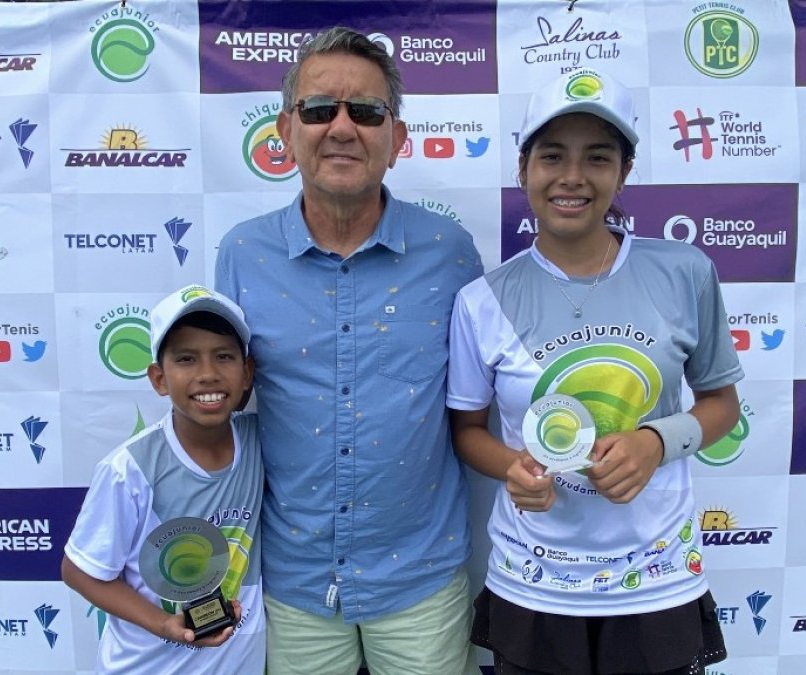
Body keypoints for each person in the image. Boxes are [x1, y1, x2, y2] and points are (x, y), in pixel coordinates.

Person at [446, 68, 743, 675]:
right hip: (536, 582)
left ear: (624, 172)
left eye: (598, 157)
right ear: (523, 167)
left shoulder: (684, 272)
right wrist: (514, 469)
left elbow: (722, 404)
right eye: (552, 155)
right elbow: (467, 430)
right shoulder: (482, 300)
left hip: (656, 578)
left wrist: (655, 442)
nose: (572, 177)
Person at [215, 26, 483, 675]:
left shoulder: (451, 252)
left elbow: (481, 402)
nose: (341, 127)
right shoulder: (241, 254)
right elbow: (221, 409)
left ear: (396, 137)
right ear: (286, 129)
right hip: (293, 582)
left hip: (422, 578)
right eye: (318, 109)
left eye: (365, 111)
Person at [62, 285, 265, 674]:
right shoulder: (130, 469)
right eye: (186, 359)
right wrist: (165, 624)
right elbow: (79, 571)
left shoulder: (261, 442)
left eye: (224, 356)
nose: (207, 374)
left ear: (247, 374)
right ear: (158, 378)